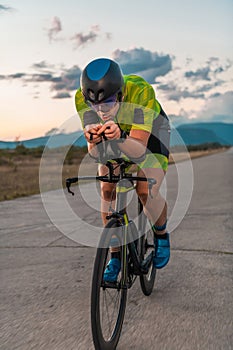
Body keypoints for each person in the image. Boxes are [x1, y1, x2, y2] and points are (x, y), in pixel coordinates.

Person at [75, 58, 170, 282]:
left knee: (146, 189)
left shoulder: (140, 92)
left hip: (151, 133)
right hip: (117, 135)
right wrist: (94, 141)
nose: (100, 112)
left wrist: (121, 136)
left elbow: (138, 151)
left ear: (120, 94)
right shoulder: (82, 98)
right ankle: (115, 255)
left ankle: (161, 233)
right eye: (94, 106)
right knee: (107, 189)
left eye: (106, 104)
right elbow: (95, 153)